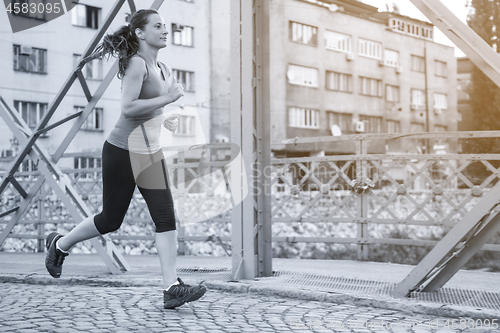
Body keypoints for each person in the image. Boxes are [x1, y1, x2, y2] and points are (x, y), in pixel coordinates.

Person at [44, 9, 206, 310]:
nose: (165, 30)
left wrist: (167, 121)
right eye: (158, 26)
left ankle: (171, 288)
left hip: (149, 152)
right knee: (110, 220)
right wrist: (169, 99)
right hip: (122, 150)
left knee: (165, 217)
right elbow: (129, 108)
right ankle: (60, 244)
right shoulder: (136, 64)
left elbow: (152, 113)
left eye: (165, 25)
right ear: (140, 33)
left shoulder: (164, 68)